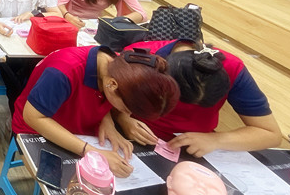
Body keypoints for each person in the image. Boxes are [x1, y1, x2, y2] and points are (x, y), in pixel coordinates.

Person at [12, 46, 180, 177]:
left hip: (80, 123)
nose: (127, 114)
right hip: (36, 128)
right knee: (68, 185)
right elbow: (33, 117)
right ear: (112, 85)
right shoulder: (63, 72)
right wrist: (93, 152)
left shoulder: (119, 66)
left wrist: (110, 121)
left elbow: (100, 93)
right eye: (125, 109)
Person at [115, 39, 282, 156]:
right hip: (137, 137)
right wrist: (122, 118)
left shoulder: (232, 68)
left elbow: (270, 134)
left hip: (195, 147)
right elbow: (107, 95)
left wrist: (216, 140)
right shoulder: (138, 58)